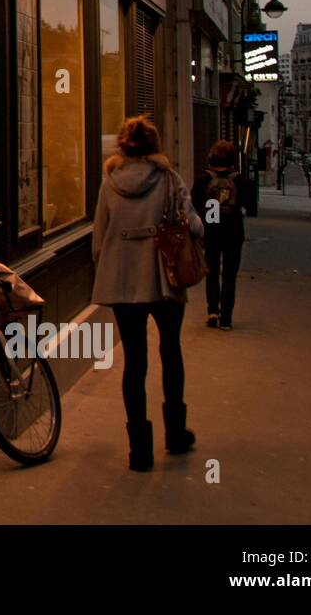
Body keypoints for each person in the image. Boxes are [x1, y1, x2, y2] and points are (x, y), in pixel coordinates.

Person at [92, 116, 203, 471]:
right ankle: (174, 433)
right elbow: (196, 226)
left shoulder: (109, 184)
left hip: (124, 282)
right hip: (164, 279)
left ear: (122, 147)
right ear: (155, 146)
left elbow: (98, 240)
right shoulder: (170, 179)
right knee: (171, 351)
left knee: (134, 362)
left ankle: (139, 450)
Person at [191, 140, 249, 330]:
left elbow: (194, 203)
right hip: (233, 229)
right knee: (230, 274)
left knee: (212, 271)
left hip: (212, 225)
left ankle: (212, 311)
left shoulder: (204, 178)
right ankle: (226, 318)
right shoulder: (239, 179)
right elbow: (249, 204)